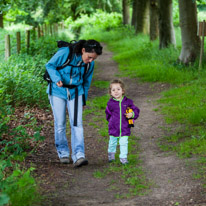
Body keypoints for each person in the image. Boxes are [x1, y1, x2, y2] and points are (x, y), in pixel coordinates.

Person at [45, 39, 103, 167]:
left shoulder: (89, 64)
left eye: (93, 59)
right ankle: (63, 153)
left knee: (77, 123)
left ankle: (79, 155)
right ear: (83, 50)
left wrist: (83, 100)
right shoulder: (66, 53)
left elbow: (86, 83)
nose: (91, 61)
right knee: (60, 123)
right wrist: (56, 79)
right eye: (89, 57)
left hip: (77, 92)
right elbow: (49, 65)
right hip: (57, 91)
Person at [105, 79, 140, 165]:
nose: (116, 92)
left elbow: (136, 110)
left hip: (125, 127)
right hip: (114, 127)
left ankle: (123, 158)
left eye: (118, 89)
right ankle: (111, 154)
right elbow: (108, 114)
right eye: (113, 90)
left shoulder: (128, 102)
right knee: (112, 142)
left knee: (124, 143)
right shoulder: (110, 103)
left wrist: (132, 114)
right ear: (110, 92)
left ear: (123, 90)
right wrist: (111, 122)